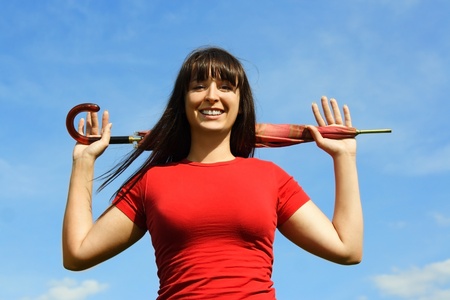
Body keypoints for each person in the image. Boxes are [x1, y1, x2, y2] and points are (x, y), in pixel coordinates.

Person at [62, 47, 363, 299]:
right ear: (182, 102)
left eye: (225, 87)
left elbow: (347, 249)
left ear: (240, 103)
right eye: (197, 86)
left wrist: (344, 157)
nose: (211, 96)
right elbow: (77, 254)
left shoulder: (271, 177)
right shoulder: (151, 182)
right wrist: (84, 162)